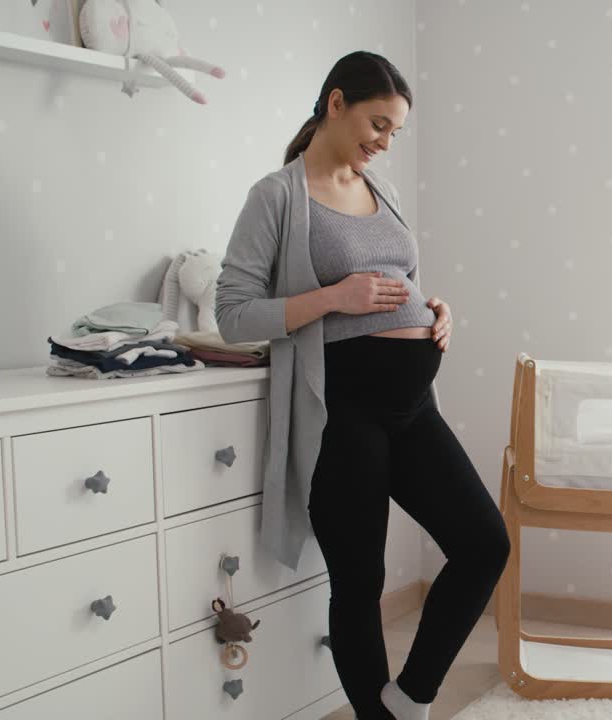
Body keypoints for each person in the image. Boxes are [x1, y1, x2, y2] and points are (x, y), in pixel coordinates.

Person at [215, 51, 511, 720]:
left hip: (412, 405)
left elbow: (396, 282)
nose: (383, 142)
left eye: (394, 132)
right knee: (361, 580)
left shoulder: (383, 193)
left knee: (483, 542)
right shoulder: (277, 196)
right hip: (343, 408)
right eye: (377, 124)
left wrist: (436, 312)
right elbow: (232, 313)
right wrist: (331, 297)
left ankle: (411, 698)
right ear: (336, 103)